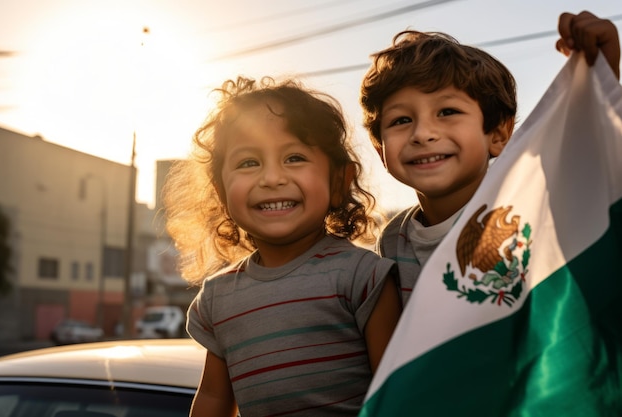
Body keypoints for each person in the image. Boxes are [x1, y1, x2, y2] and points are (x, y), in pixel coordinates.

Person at [163, 76, 401, 417]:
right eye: (248, 163)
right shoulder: (217, 297)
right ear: (221, 193)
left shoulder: (364, 276)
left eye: (294, 157)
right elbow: (214, 399)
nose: (272, 178)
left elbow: (394, 392)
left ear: (338, 182)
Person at [359, 10, 621, 307]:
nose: (422, 133)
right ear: (381, 150)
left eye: (447, 112)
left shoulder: (528, 210)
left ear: (497, 135)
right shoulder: (393, 239)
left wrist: (602, 71)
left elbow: (589, 169)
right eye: (401, 120)